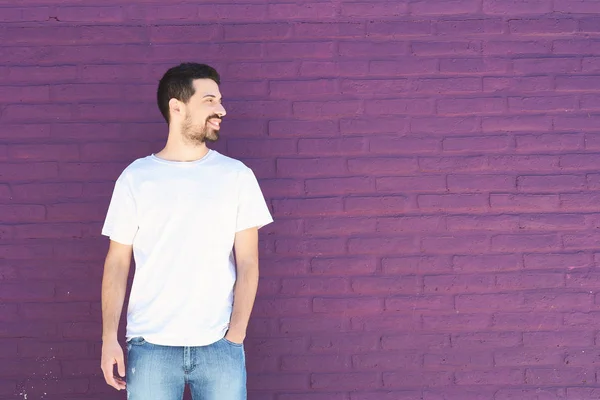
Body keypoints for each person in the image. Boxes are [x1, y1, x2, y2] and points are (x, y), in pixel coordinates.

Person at [99, 62, 273, 400]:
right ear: (177, 107)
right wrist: (109, 338)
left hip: (219, 346)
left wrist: (235, 335)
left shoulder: (236, 176)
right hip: (149, 347)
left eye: (220, 100)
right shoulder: (136, 178)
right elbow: (117, 263)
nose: (221, 109)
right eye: (209, 100)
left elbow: (249, 262)